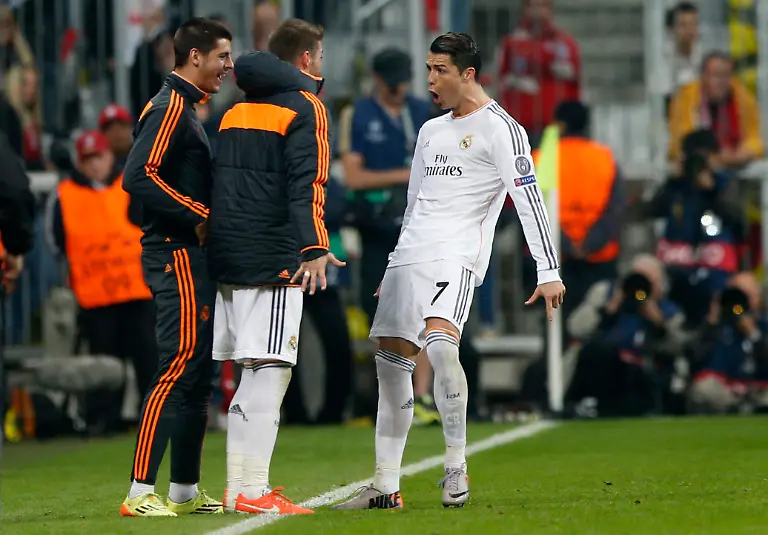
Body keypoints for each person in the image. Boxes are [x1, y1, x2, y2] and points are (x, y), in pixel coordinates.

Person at [332, 32, 565, 511]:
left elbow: (528, 200)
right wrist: (395, 261)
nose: (430, 80)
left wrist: (548, 269)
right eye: (429, 70)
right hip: (410, 257)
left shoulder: (502, 129)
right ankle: (384, 485)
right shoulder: (430, 130)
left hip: (456, 257)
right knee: (391, 366)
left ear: (468, 74)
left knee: (440, 347)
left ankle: (455, 466)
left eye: (440, 70)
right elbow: (414, 203)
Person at [207, 19, 342, 515]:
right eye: (320, 56)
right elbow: (309, 182)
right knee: (271, 371)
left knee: (248, 369)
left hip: (228, 256)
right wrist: (314, 247)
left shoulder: (234, 108)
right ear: (306, 60)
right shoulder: (307, 106)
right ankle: (252, 489)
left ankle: (236, 486)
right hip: (272, 258)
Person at [119, 17, 233, 517]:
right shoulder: (169, 106)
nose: (228, 66)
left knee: (198, 371)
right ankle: (140, 490)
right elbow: (136, 177)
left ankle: (183, 488)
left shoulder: (184, 107)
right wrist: (199, 215)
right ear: (194, 57)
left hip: (188, 252)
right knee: (177, 364)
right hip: (175, 251)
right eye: (222, 56)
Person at [44, 130, 157, 433]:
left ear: (110, 156)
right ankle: (104, 420)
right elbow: (54, 243)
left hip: (135, 289)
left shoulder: (130, 186)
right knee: (103, 363)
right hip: (95, 296)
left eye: (100, 157)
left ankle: (155, 418)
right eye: (88, 159)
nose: (95, 165)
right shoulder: (64, 194)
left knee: (147, 357)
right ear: (80, 162)